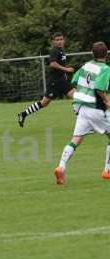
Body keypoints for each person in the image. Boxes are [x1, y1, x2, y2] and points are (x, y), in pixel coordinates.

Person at [54, 42, 110, 185]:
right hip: (96, 108)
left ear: (93, 54)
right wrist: (106, 100)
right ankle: (107, 171)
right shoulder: (105, 69)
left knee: (75, 139)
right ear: (106, 54)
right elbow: (99, 88)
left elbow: (74, 80)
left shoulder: (86, 65)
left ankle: (61, 166)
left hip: (82, 109)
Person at [18, 32, 76, 127]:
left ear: (64, 40)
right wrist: (66, 69)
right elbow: (52, 63)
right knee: (45, 103)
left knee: (76, 98)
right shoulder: (55, 51)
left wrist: (64, 74)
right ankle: (23, 114)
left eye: (61, 39)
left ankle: (23, 114)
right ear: (54, 42)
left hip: (61, 81)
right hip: (55, 82)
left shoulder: (61, 50)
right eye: (57, 40)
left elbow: (59, 65)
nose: (60, 41)